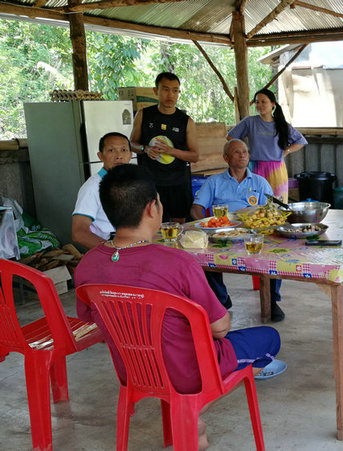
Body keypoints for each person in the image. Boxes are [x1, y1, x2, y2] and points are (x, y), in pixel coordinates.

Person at [74, 164, 285, 450]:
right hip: (189, 373)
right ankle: (191, 411)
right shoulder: (177, 262)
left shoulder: (88, 264)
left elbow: (92, 323)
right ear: (152, 208)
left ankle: (187, 414)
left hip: (132, 371)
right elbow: (220, 328)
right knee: (270, 338)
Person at [190, 139, 285, 321]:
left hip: (254, 234)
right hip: (222, 234)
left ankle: (272, 301)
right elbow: (196, 207)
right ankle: (221, 300)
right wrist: (205, 225)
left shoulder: (260, 182)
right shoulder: (214, 181)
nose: (242, 155)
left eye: (245, 152)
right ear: (226, 157)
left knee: (273, 255)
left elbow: (271, 211)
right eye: (237, 152)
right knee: (201, 256)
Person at [130, 71, 199, 223]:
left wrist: (171, 151)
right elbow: (131, 144)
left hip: (178, 183)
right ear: (156, 91)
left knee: (178, 226)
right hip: (150, 182)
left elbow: (195, 156)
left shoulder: (186, 121)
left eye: (175, 90)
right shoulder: (143, 115)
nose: (170, 95)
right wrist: (145, 149)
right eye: (165, 89)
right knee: (151, 224)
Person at [226, 88, 307, 203]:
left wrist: (286, 151)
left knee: (278, 204)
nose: (259, 105)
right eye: (257, 102)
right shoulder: (250, 121)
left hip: (277, 170)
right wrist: (244, 151)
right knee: (254, 203)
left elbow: (301, 141)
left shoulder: (281, 125)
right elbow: (230, 137)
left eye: (263, 101)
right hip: (255, 168)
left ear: (273, 104)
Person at [71, 132, 133, 248]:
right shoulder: (93, 187)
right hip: (110, 247)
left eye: (124, 150)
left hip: (131, 243)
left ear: (130, 155)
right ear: (100, 156)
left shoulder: (132, 183)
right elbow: (79, 233)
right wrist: (114, 251)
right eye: (111, 150)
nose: (119, 156)